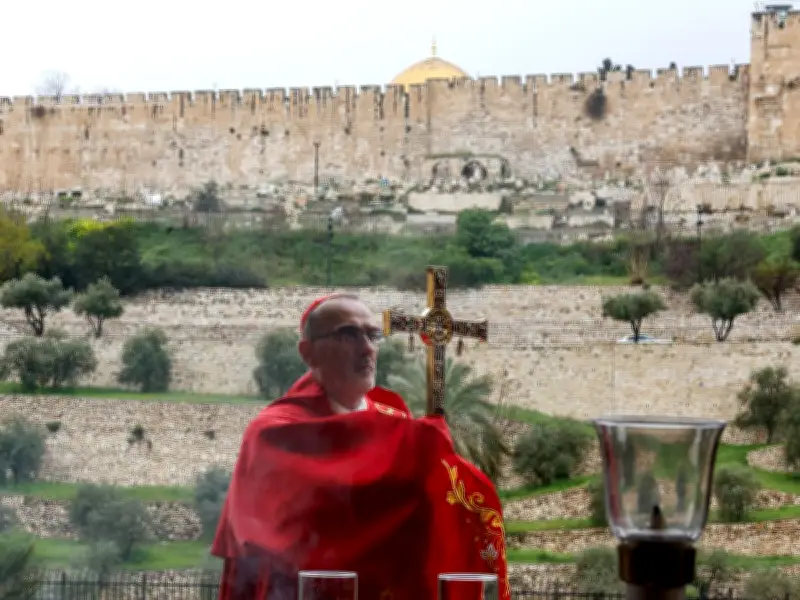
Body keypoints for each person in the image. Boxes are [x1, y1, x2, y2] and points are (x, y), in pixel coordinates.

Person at [211, 293, 509, 600]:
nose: (366, 348)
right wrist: (420, 447)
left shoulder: (401, 426)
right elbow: (311, 521)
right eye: (348, 335)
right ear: (308, 352)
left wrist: (434, 459)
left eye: (372, 335)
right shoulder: (274, 433)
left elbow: (434, 507)